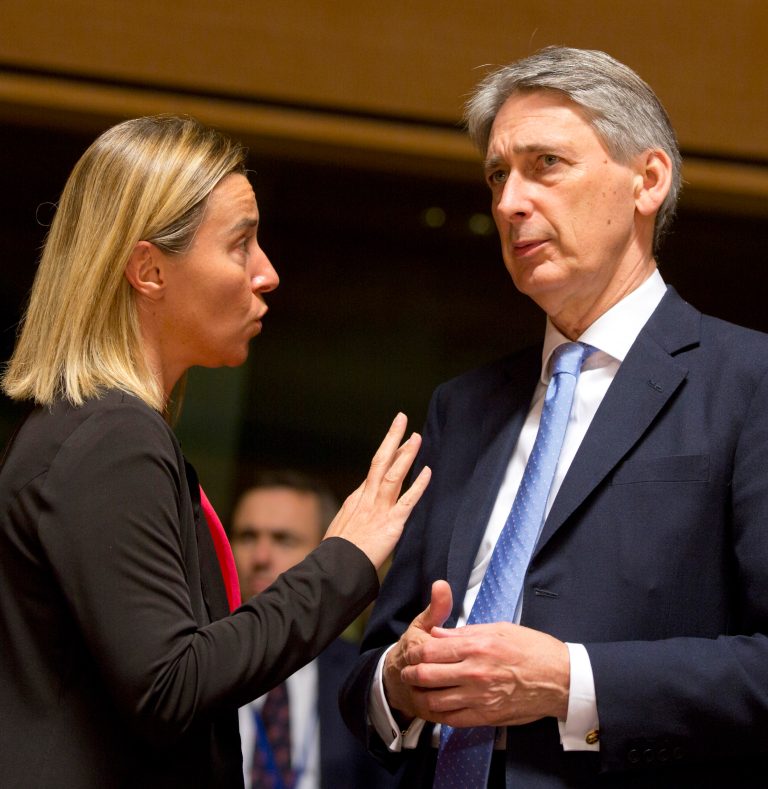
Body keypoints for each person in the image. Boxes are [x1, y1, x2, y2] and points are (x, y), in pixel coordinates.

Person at [340, 46, 768, 788]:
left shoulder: (747, 380)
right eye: (498, 175)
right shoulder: (463, 407)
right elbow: (373, 664)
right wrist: (398, 683)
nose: (509, 202)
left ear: (648, 180)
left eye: (546, 165)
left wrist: (572, 681)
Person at [0, 114, 430, 788]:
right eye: (241, 244)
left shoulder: (101, 429)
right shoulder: (112, 435)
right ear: (149, 269)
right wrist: (341, 562)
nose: (267, 273)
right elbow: (171, 682)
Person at [231, 470, 396, 788]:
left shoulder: (360, 674)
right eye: (247, 537)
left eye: (284, 540)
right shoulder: (196, 662)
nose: (261, 557)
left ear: (327, 555)